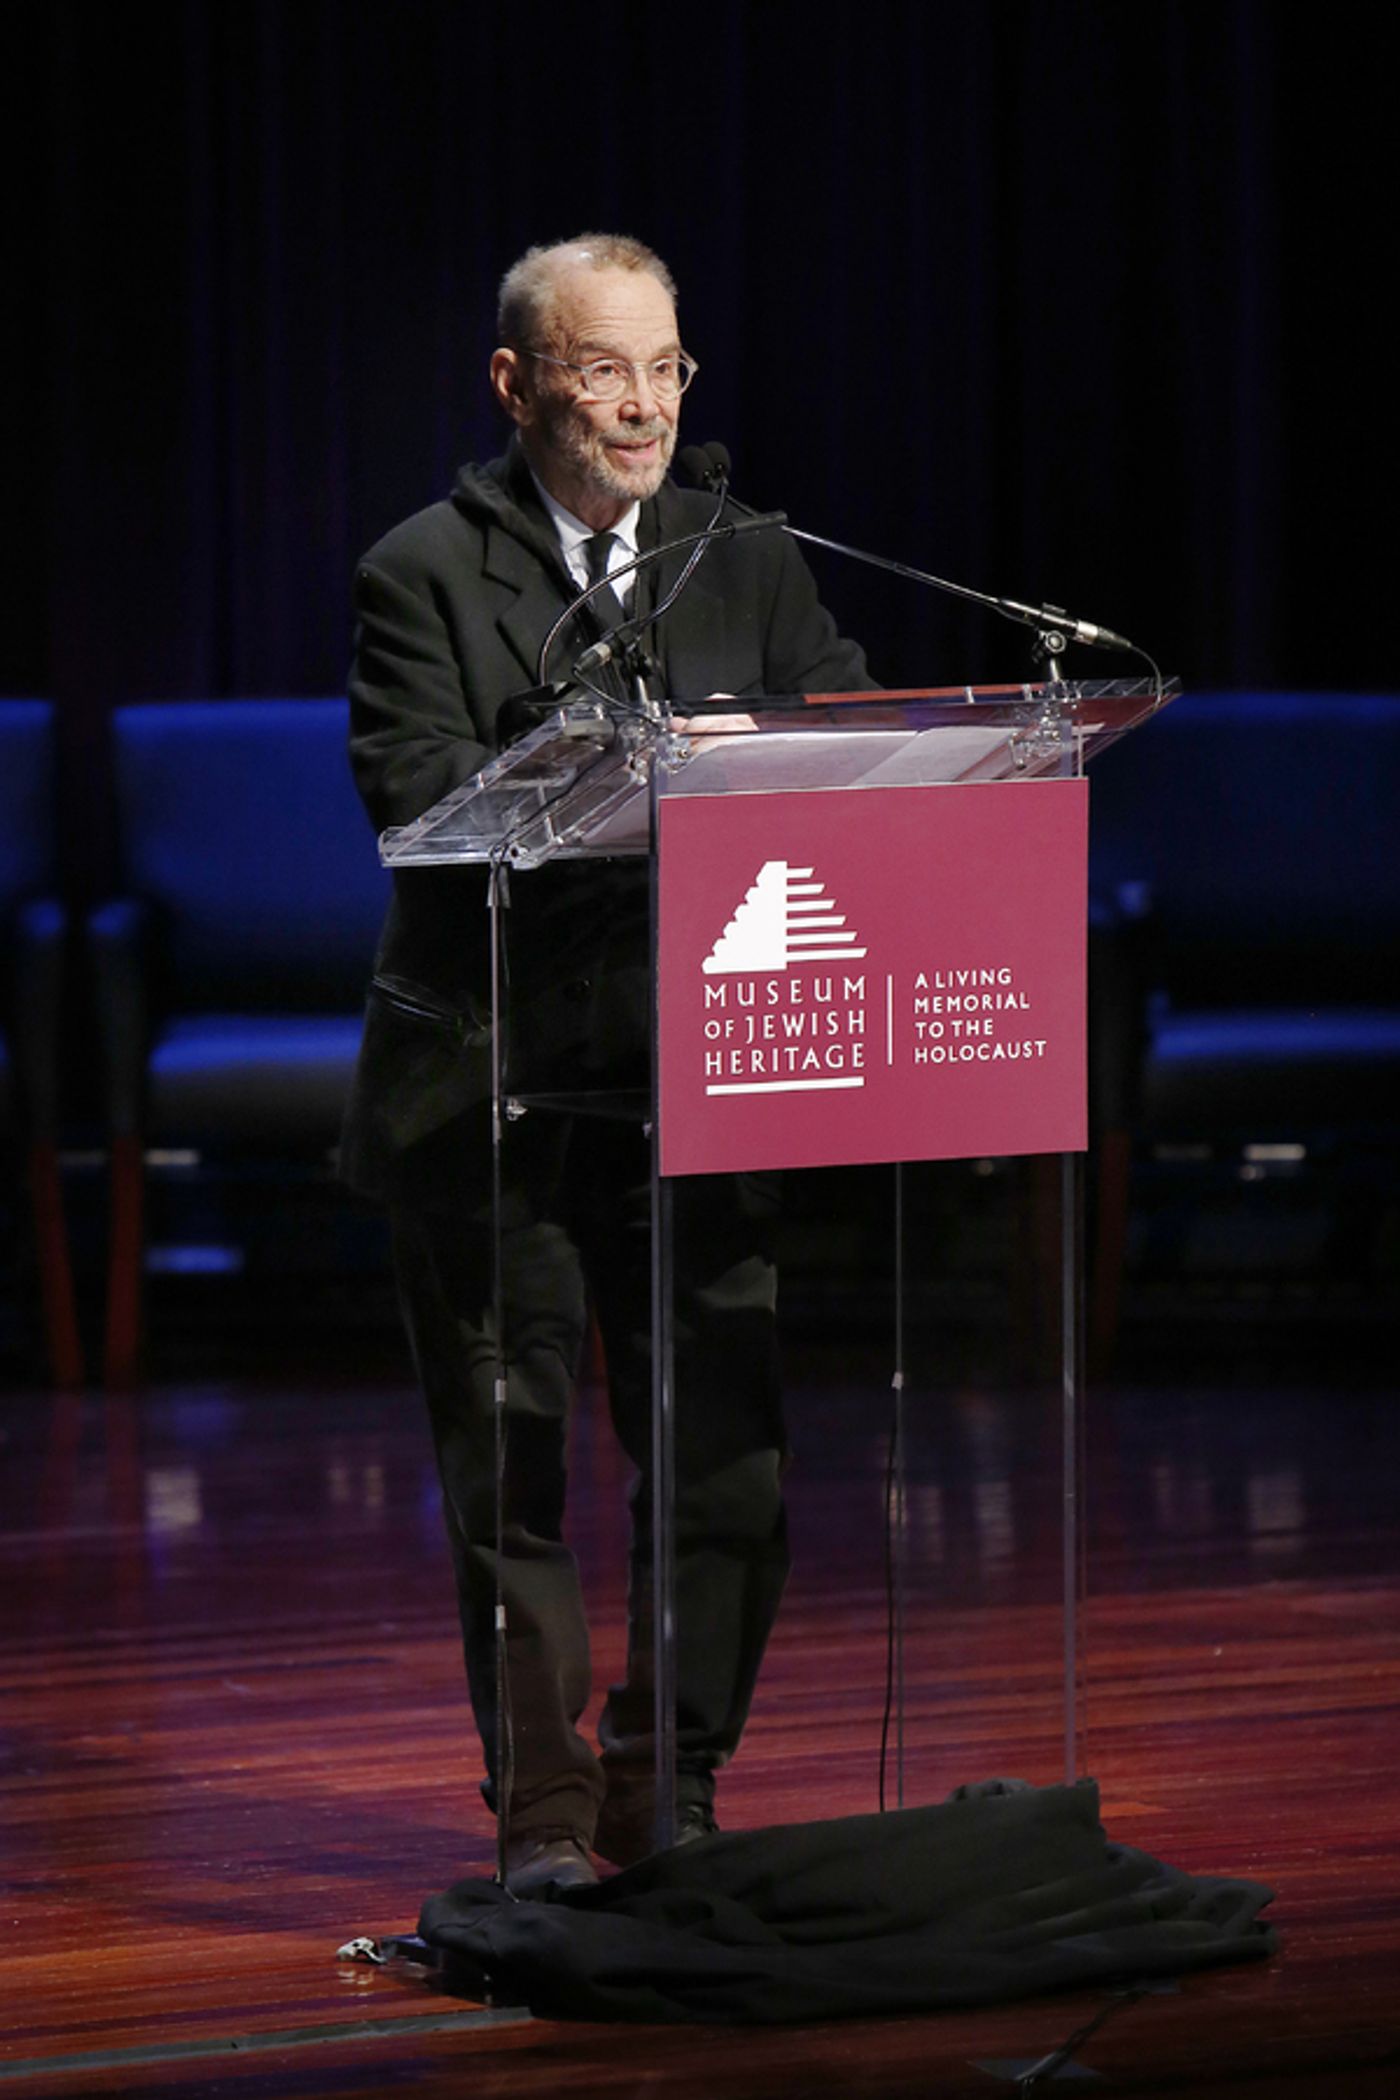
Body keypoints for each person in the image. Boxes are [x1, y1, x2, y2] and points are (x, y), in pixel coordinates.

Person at [342, 233, 870, 1896]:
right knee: (513, 1471)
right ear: (517, 385)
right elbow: (418, 802)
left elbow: (853, 731)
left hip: (705, 1085)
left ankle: (674, 1790)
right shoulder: (422, 569)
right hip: (492, 1090)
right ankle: (551, 1827)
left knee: (723, 1455)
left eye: (664, 371)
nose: (640, 410)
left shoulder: (749, 556)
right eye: (599, 373)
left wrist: (794, 762)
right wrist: (622, 763)